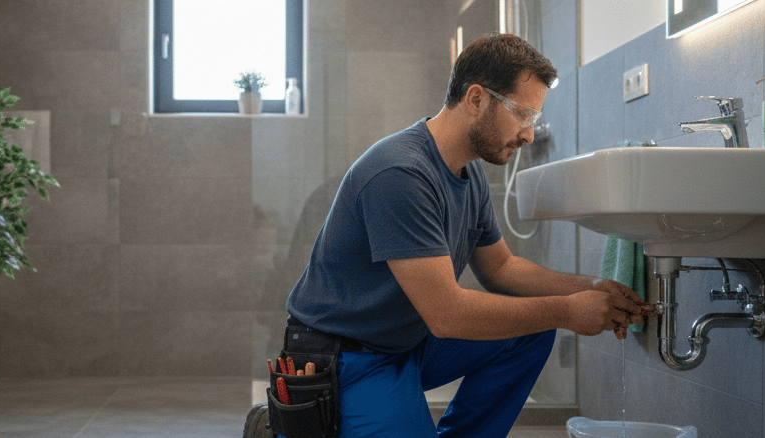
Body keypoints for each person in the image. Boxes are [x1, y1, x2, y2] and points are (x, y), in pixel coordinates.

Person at [278, 33, 650, 437]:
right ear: (476, 99)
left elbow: (503, 268)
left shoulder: (468, 172)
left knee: (531, 329)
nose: (528, 134)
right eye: (523, 114)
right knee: (546, 314)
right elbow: (447, 314)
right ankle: (291, 424)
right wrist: (567, 310)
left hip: (406, 343)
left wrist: (591, 287)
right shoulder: (400, 173)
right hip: (346, 357)